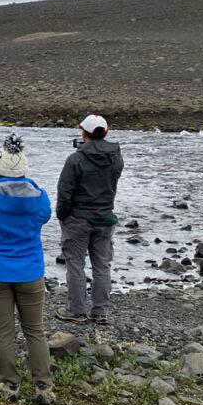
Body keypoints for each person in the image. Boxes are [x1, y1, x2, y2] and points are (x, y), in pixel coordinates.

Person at [0, 134, 55, 405]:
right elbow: (45, 217)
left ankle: (9, 385)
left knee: (3, 330)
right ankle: (43, 386)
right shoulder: (40, 198)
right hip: (29, 271)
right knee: (34, 330)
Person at [54, 114, 125, 325]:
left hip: (78, 219)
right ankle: (100, 312)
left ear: (83, 132)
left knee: (75, 264)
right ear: (106, 133)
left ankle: (76, 311)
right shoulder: (116, 157)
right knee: (102, 266)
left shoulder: (75, 159)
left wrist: (62, 216)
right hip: (105, 218)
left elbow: (64, 192)